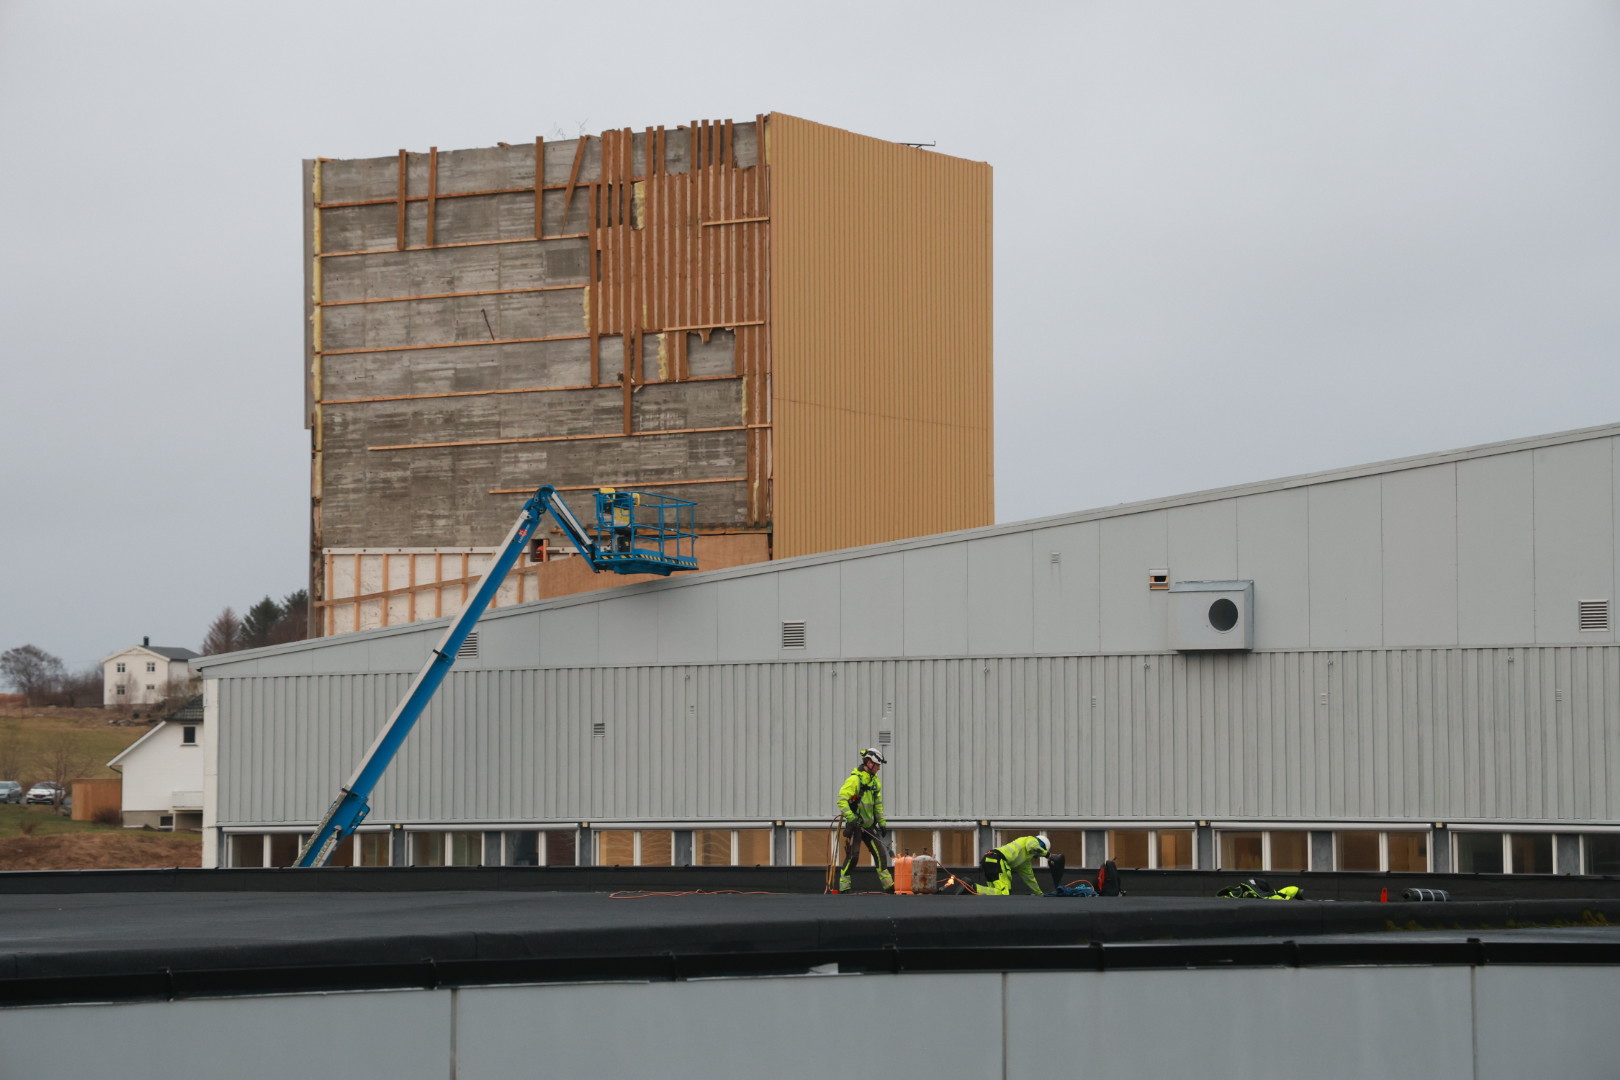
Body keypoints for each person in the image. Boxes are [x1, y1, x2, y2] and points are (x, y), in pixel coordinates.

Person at [834, 747, 893, 893]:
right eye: (877, 765)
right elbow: (841, 800)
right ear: (869, 763)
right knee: (853, 857)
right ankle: (844, 887)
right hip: (855, 826)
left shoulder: (875, 783)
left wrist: (882, 823)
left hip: (869, 825)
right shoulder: (854, 779)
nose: (879, 768)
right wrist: (851, 817)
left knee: (880, 856)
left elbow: (877, 805)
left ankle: (890, 887)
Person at [979, 833, 1060, 896]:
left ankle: (971, 889)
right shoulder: (1031, 839)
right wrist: (1049, 855)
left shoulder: (1024, 861)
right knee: (1003, 893)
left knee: (994, 893)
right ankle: (973, 887)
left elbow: (1030, 879)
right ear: (1041, 845)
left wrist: (1039, 894)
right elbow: (1033, 847)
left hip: (988, 859)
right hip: (996, 859)